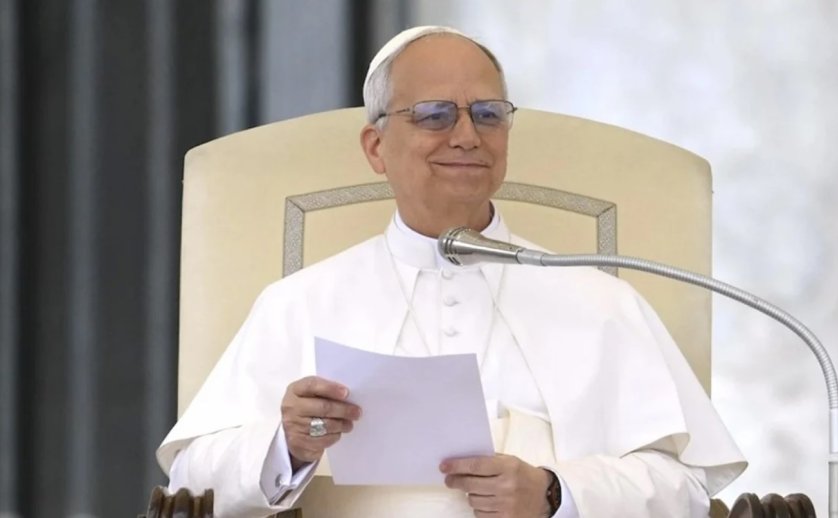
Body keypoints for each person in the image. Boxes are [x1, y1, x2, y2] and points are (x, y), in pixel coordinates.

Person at [157, 25, 746, 517]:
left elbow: (688, 489)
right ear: (375, 147)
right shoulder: (299, 302)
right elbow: (192, 478)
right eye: (435, 115)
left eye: (488, 114)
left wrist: (556, 494)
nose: (467, 136)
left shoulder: (599, 300)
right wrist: (287, 446)